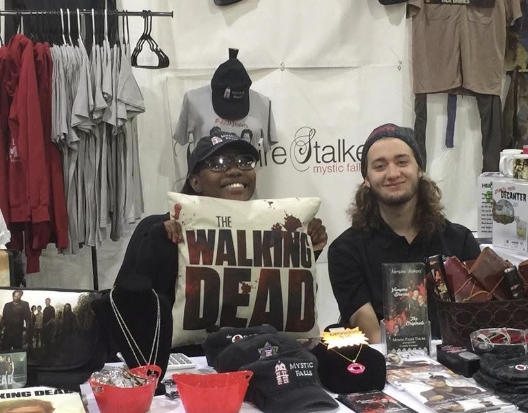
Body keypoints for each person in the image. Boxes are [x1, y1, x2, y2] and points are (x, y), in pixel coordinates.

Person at [115, 132, 329, 310]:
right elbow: (123, 305)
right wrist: (158, 245)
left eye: (244, 162)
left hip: (259, 345)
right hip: (187, 349)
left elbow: (282, 303)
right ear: (196, 182)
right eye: (218, 163)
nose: (235, 170)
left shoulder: (273, 232)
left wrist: (304, 250)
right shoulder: (159, 228)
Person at [329, 123, 480, 343]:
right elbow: (369, 330)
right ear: (367, 179)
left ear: (419, 169)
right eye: (379, 166)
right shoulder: (345, 250)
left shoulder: (460, 242)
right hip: (382, 359)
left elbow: (476, 323)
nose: (392, 174)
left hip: (452, 360)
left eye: (402, 162)